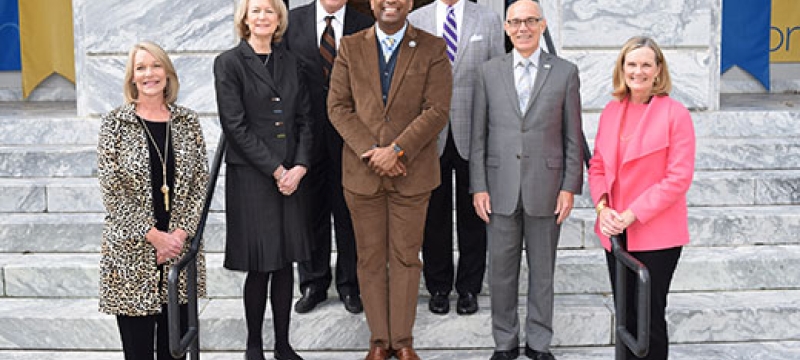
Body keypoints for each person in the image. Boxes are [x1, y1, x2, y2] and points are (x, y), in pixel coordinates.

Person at [327, 0, 453, 357]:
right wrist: (373, 151)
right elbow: (338, 106)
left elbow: (437, 109)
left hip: (412, 174)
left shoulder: (432, 46)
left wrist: (397, 150)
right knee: (368, 259)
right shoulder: (350, 47)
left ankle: (403, 342)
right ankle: (379, 342)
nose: (390, 1)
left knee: (406, 258)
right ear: (371, 2)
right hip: (361, 173)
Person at [469, 0, 583, 359]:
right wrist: (479, 186)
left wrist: (569, 187)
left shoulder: (565, 72)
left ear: (542, 25)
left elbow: (573, 136)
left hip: (546, 190)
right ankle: (505, 343)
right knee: (501, 273)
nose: (523, 28)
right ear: (505, 27)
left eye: (530, 21)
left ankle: (538, 343)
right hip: (499, 188)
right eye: (515, 22)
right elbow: (478, 137)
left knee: (542, 273)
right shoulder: (488, 72)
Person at [213, 0, 313, 359]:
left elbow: (305, 119)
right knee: (260, 265)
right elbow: (234, 125)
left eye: (269, 11)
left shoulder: (292, 62)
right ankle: (253, 345)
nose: (263, 17)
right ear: (244, 18)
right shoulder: (228, 63)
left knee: (285, 263)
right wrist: (276, 170)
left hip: (292, 178)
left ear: (279, 19)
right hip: (254, 178)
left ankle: (283, 345)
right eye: (255, 11)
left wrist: (299, 166)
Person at [97, 40, 209, 360]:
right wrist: (155, 236)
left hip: (178, 252)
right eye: (141, 68)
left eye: (156, 65)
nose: (149, 74)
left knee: (174, 351)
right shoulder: (115, 124)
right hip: (132, 255)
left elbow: (200, 183)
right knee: (139, 352)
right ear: (132, 78)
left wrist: (178, 236)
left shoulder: (187, 122)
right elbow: (112, 190)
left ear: (167, 72)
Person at [589, 36, 695, 360]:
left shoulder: (676, 114)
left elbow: (678, 178)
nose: (638, 71)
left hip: (656, 233)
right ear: (622, 68)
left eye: (646, 64)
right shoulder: (611, 111)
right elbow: (597, 166)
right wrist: (602, 207)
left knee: (649, 320)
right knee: (626, 318)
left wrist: (632, 213)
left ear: (658, 69)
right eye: (632, 64)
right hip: (615, 232)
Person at [408, 0, 504, 316]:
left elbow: (497, 78)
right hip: (428, 136)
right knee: (433, 215)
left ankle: (468, 288)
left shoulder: (489, 19)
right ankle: (438, 287)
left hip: (473, 132)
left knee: (473, 214)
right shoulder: (415, 19)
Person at [284, 0, 373, 315]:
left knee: (350, 212)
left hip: (351, 136)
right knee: (310, 211)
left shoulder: (366, 24)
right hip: (305, 134)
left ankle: (351, 286)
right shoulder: (291, 21)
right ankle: (313, 283)